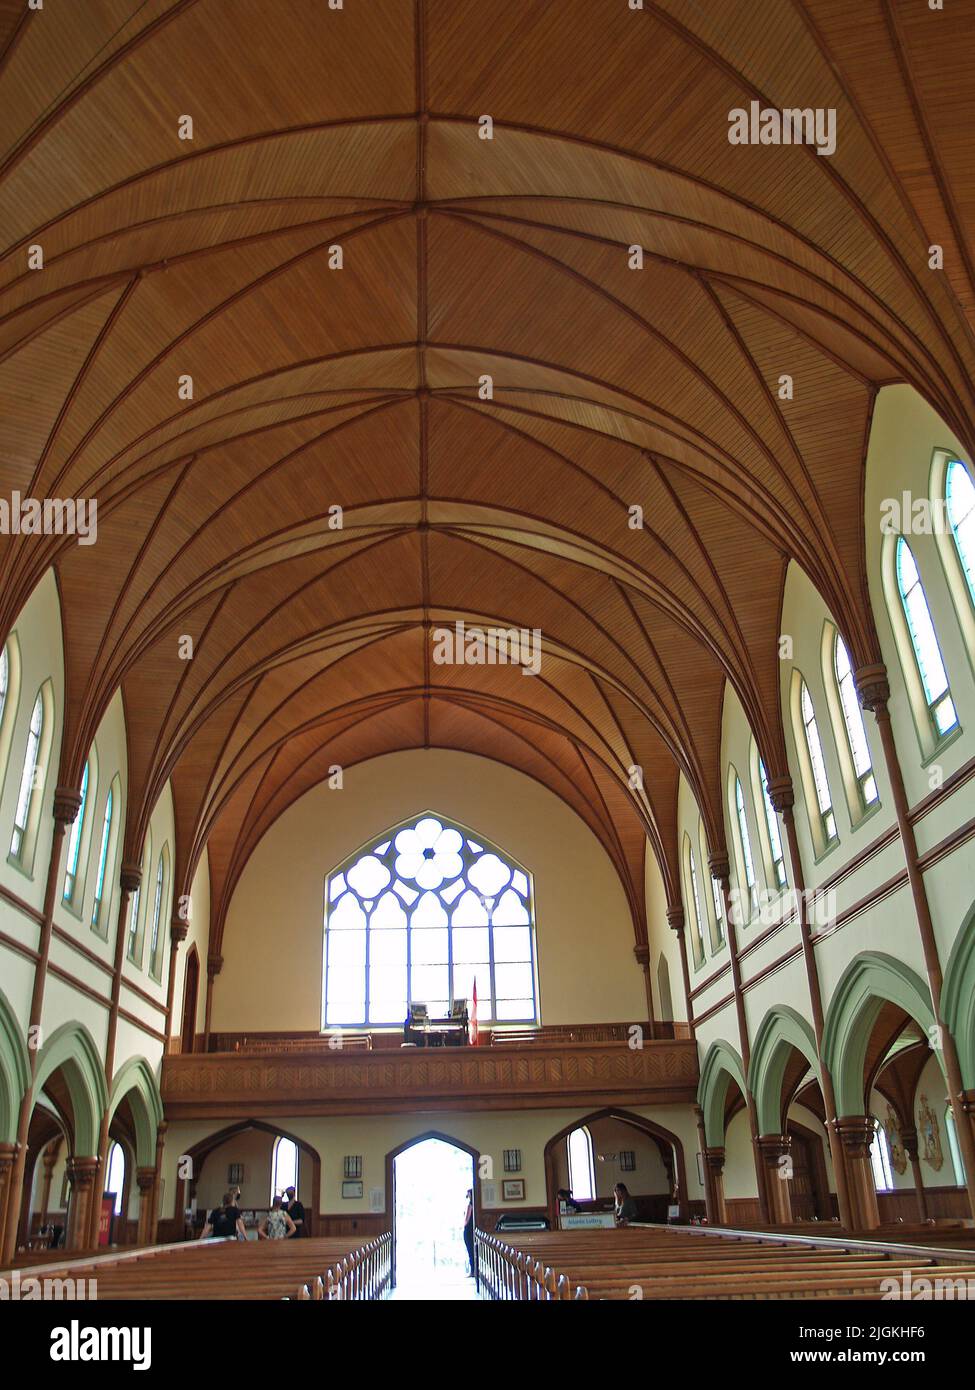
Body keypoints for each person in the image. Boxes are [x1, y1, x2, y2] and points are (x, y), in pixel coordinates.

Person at [463, 1188, 475, 1279]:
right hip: (473, 1230)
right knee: (472, 1251)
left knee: (470, 1251)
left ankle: (472, 1271)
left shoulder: (470, 1206)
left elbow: (466, 1220)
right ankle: (473, 1270)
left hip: (468, 1230)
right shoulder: (476, 1205)